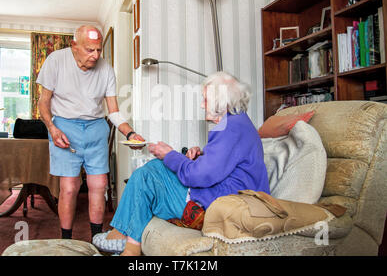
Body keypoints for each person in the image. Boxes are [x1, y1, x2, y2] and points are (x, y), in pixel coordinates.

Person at [93, 71, 270, 256]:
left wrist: (170, 154)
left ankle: (127, 245)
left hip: (220, 206)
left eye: (206, 100)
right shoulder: (238, 123)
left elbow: (198, 176)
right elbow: (223, 164)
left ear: (221, 102)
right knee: (155, 168)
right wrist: (200, 154)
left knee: (147, 175)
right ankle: (125, 237)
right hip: (223, 195)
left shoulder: (232, 129)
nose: (202, 105)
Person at [37, 25, 144, 240]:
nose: (95, 56)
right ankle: (66, 240)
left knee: (100, 184)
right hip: (64, 128)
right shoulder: (56, 61)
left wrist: (131, 134)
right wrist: (52, 128)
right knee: (69, 187)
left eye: (98, 50)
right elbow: (43, 102)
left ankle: (96, 240)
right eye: (89, 50)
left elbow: (113, 112)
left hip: (96, 128)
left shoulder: (106, 69)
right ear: (74, 46)